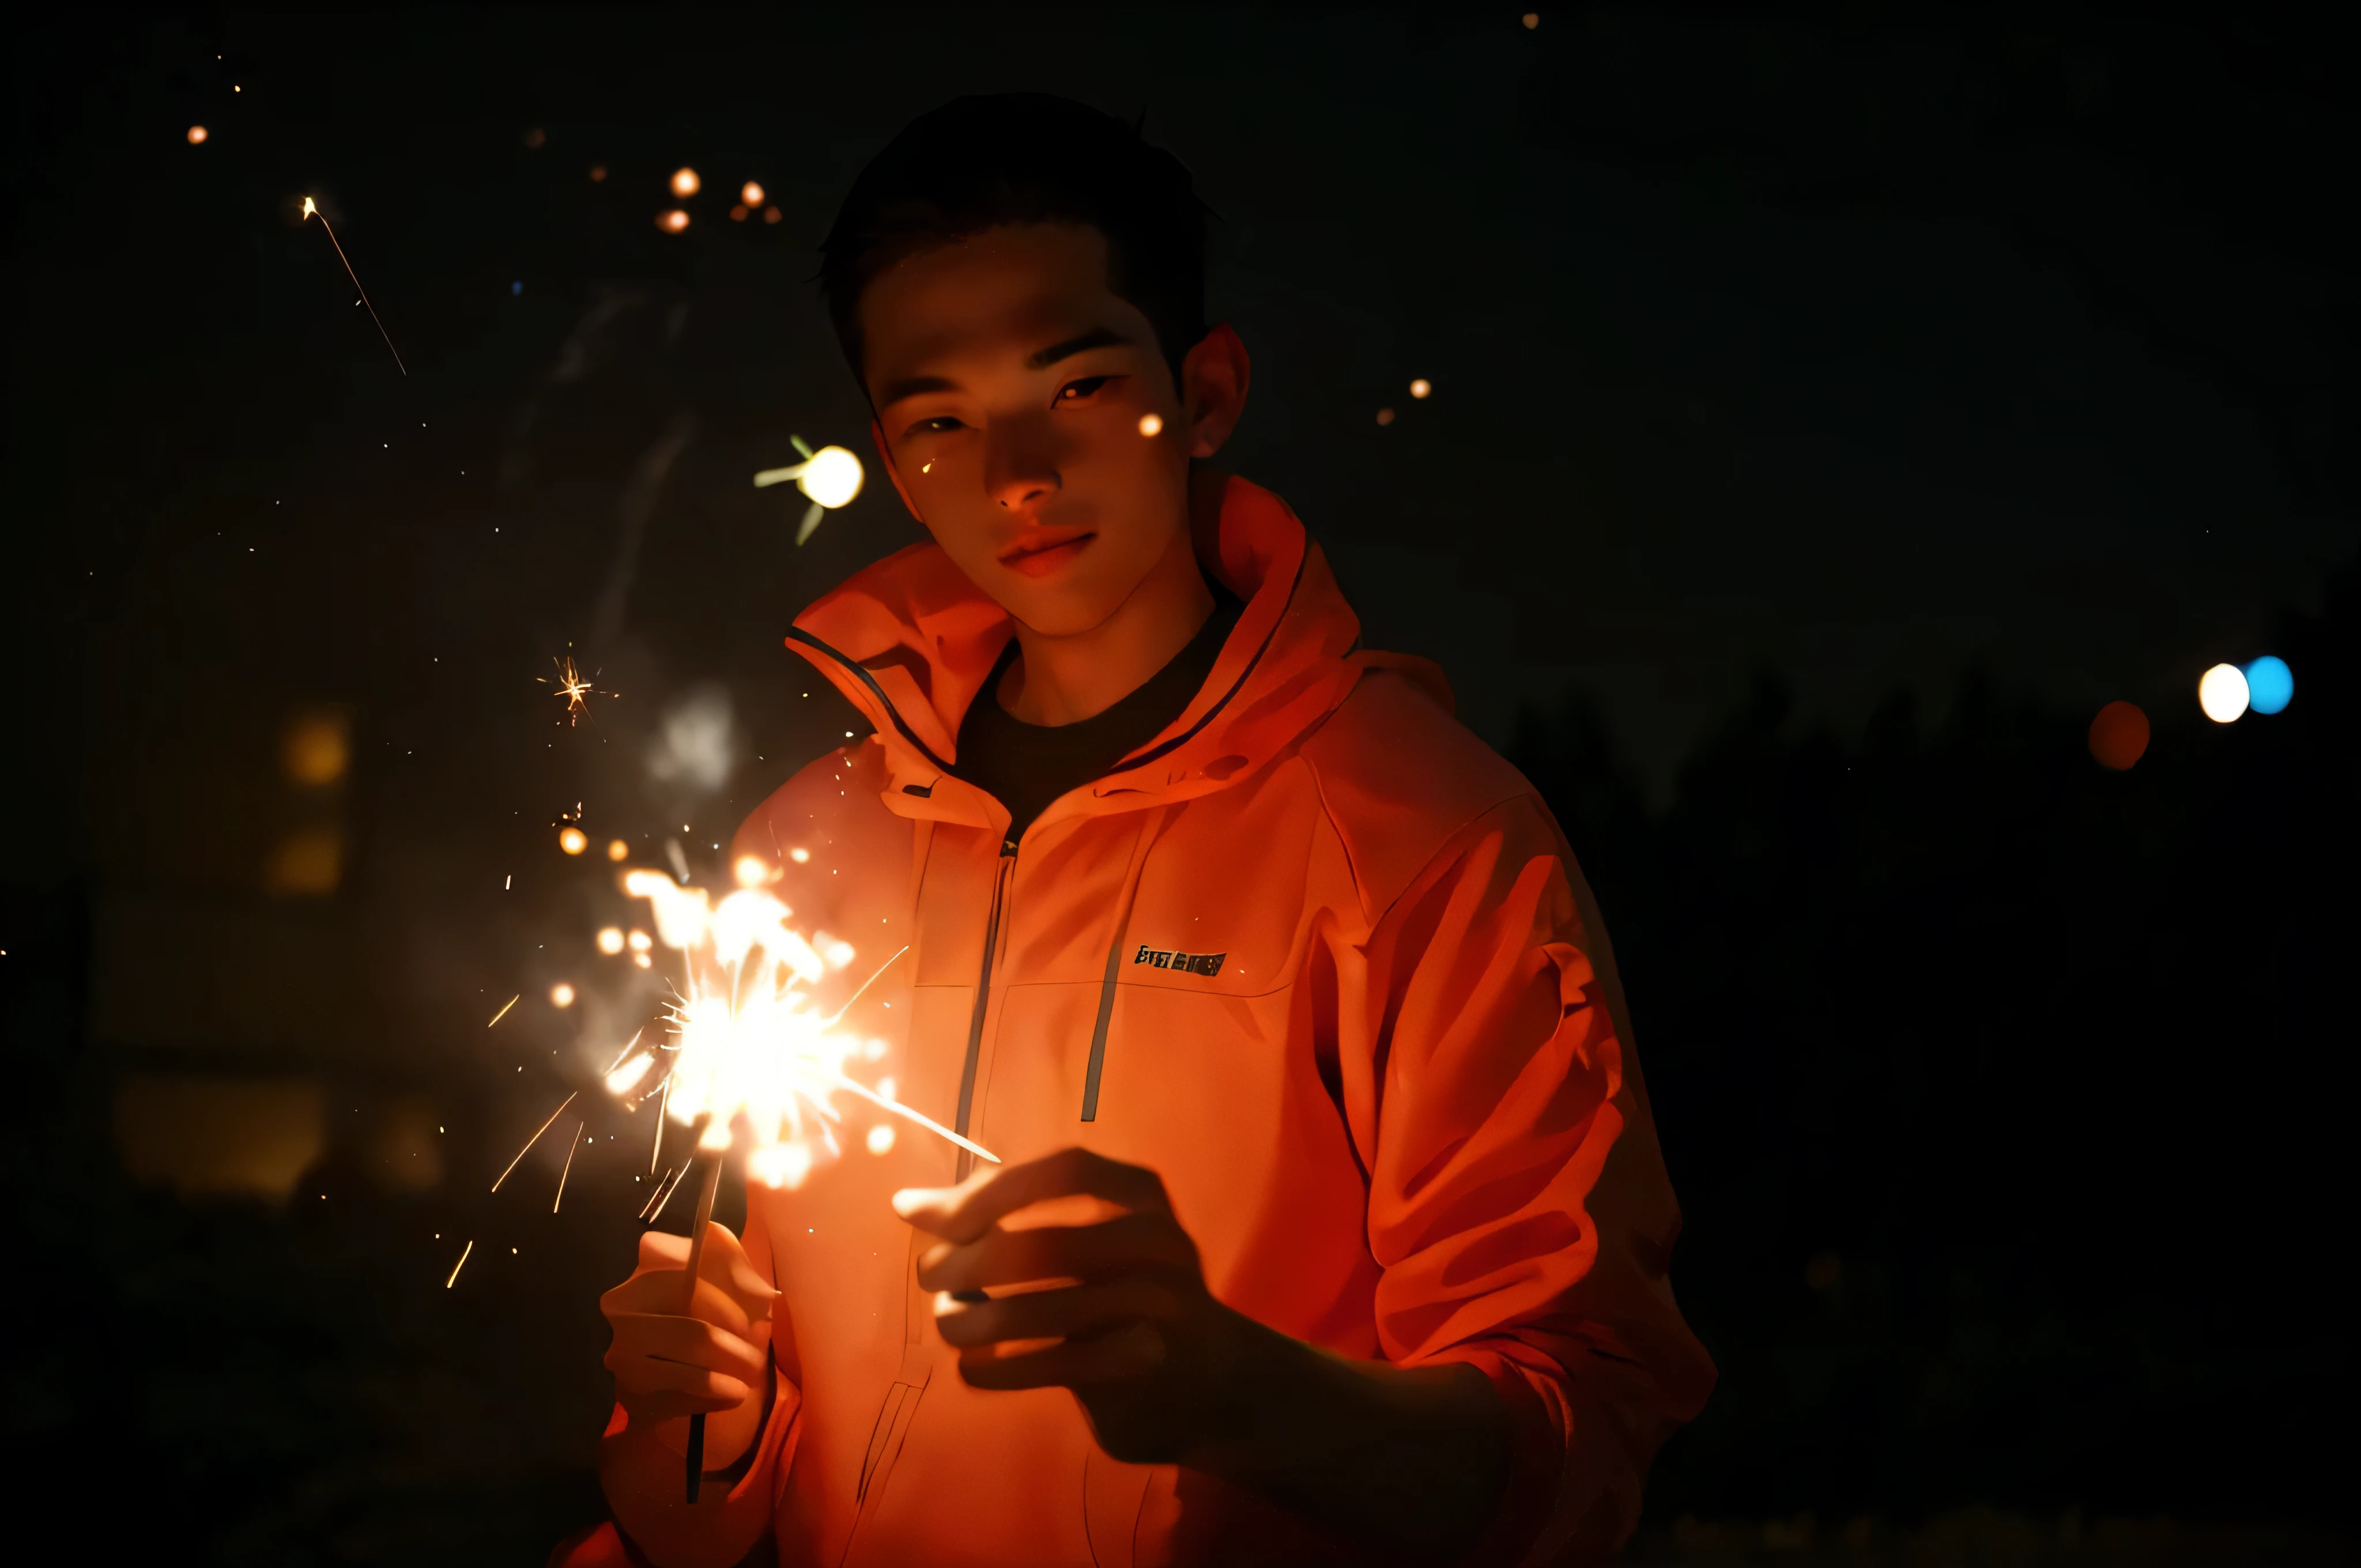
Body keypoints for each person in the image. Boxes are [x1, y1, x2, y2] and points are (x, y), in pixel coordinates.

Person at [560, 93, 1712, 1568]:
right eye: (941, 421)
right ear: (889, 455)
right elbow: (716, 1508)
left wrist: (1230, 1389)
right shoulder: (802, 855)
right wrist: (686, 1424)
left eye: (1080, 387)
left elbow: (1571, 1444)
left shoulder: (1422, 837)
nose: (1018, 476)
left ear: (1208, 390)